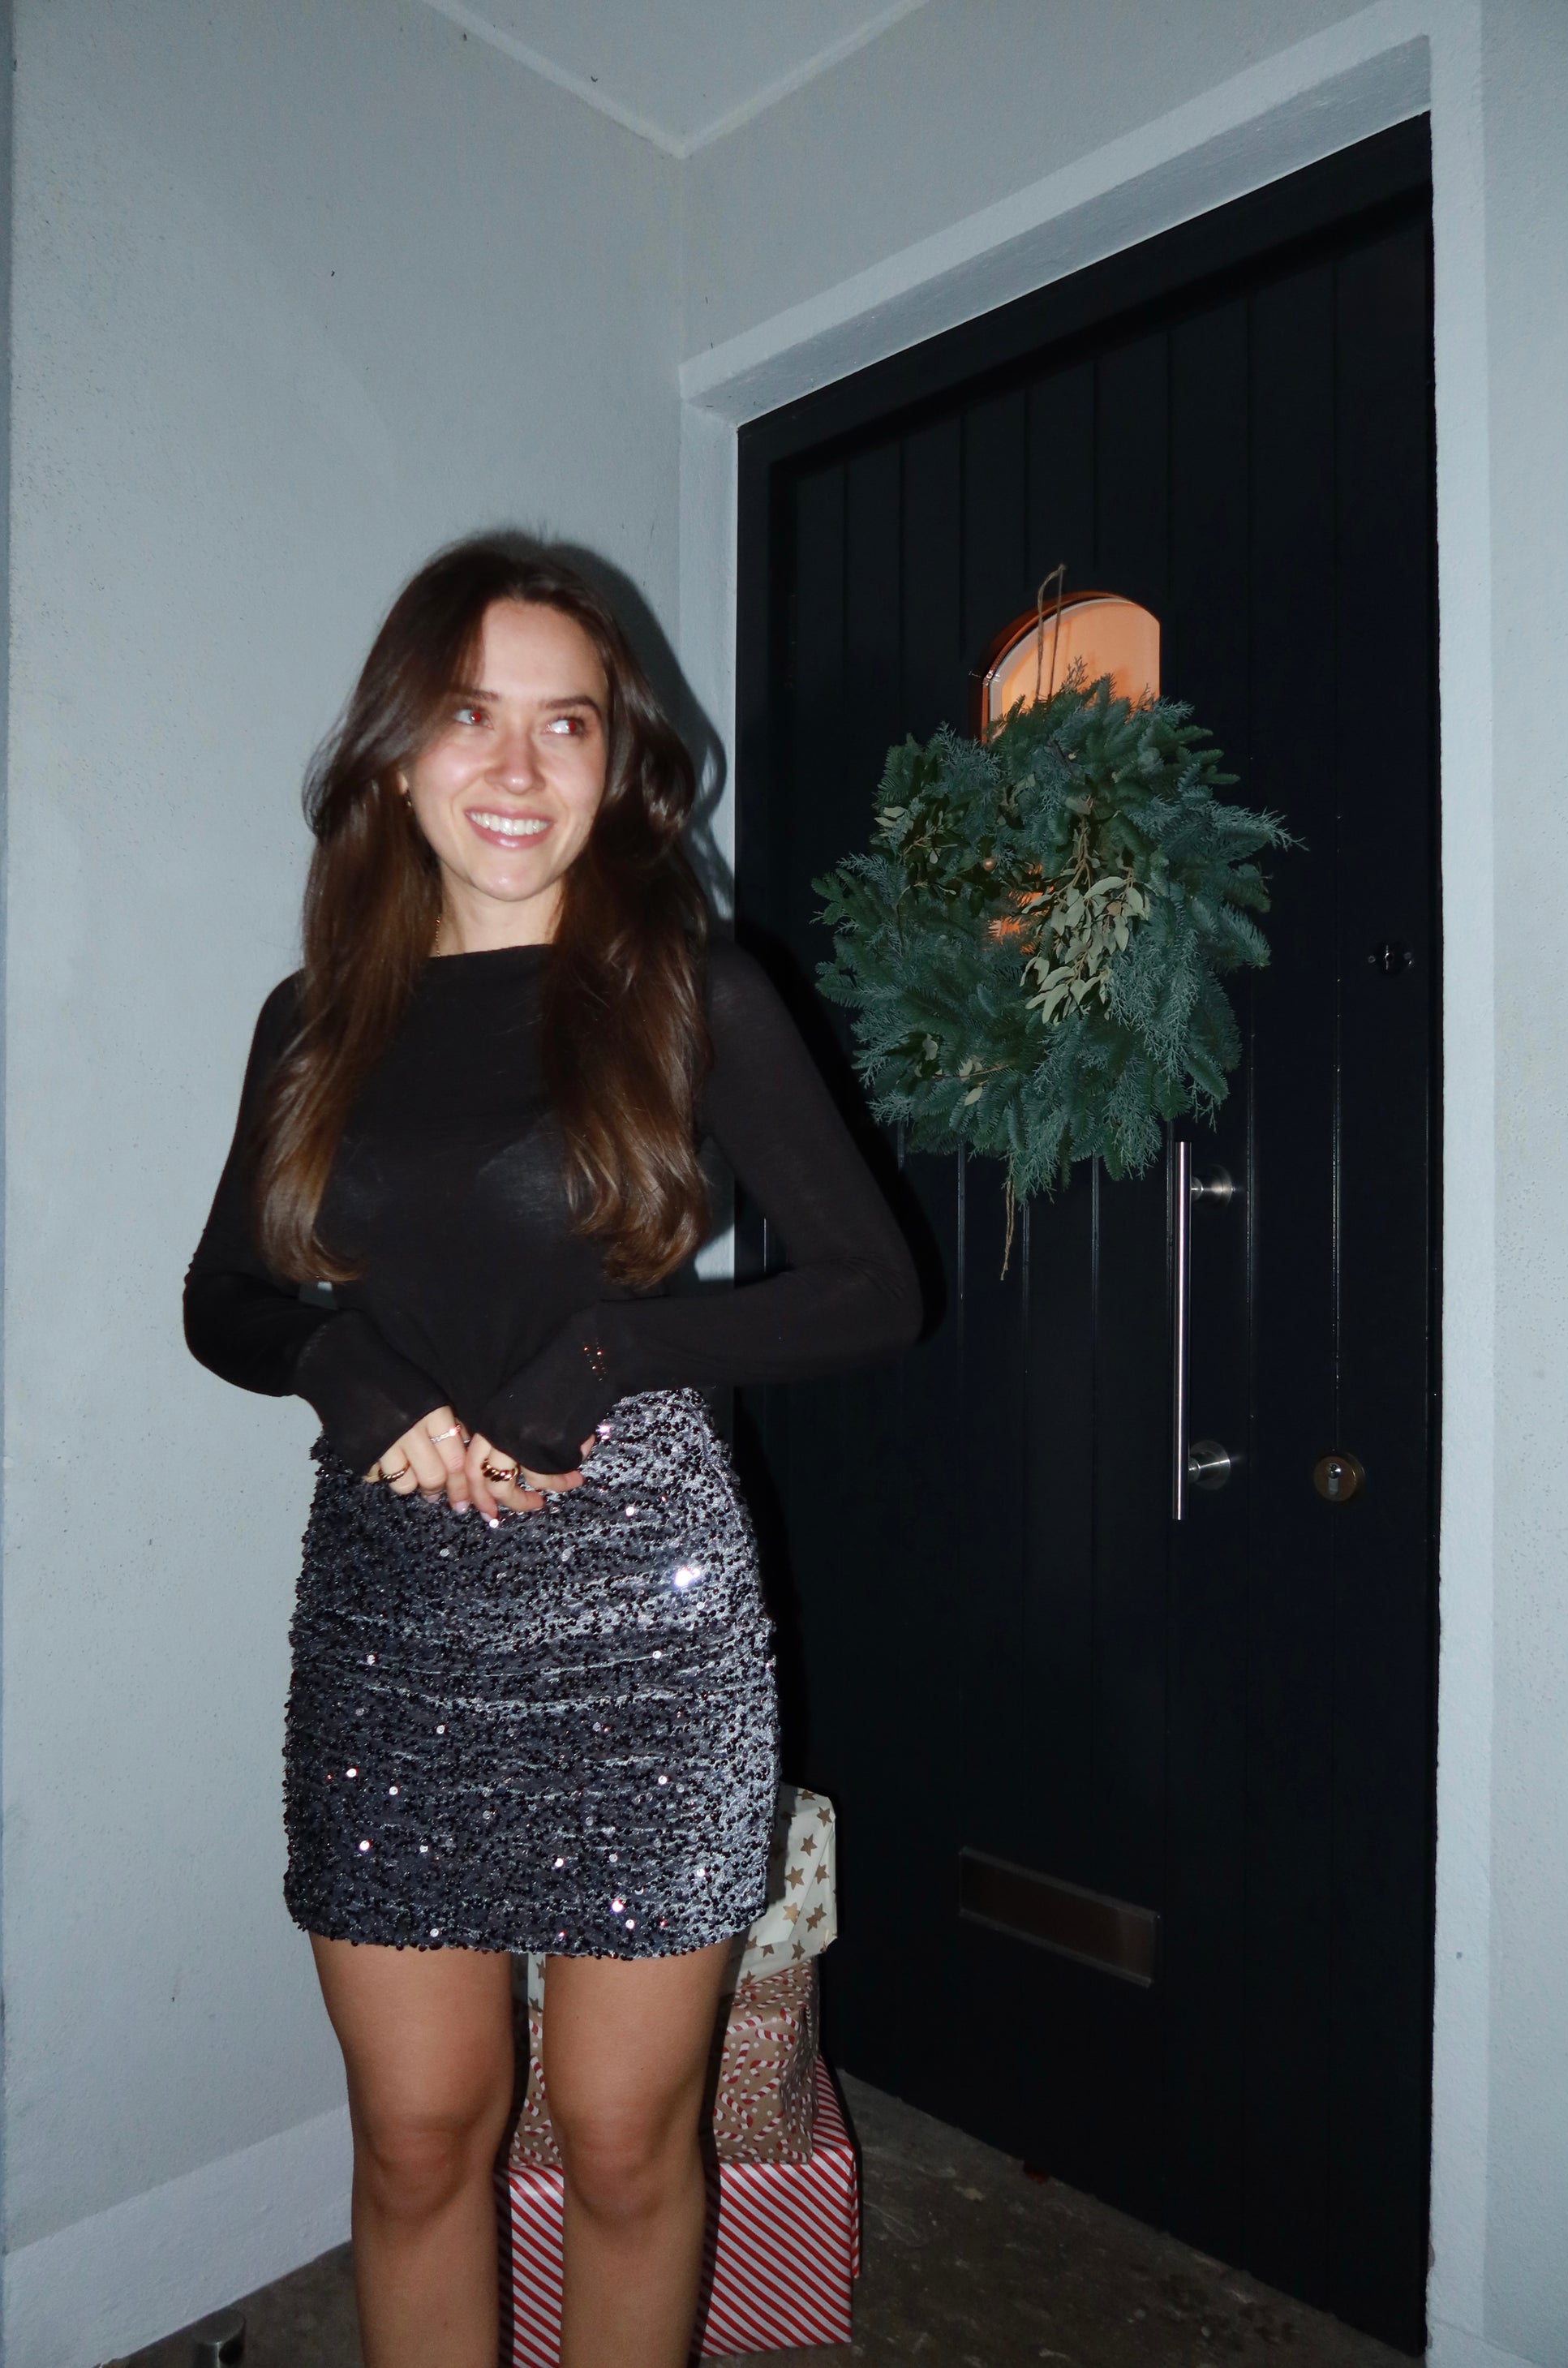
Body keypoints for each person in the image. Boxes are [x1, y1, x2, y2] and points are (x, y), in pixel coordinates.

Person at [183, 535, 921, 2368]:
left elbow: (872, 1288)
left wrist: (602, 1352)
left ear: (617, 761)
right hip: (391, 1623)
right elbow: (225, 1295)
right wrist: (349, 1373)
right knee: (417, 2139)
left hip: (643, 1618)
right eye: (469, 715)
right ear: (394, 755)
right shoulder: (312, 1020)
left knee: (621, 2143)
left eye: (566, 723)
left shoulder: (691, 989)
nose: (517, 768)